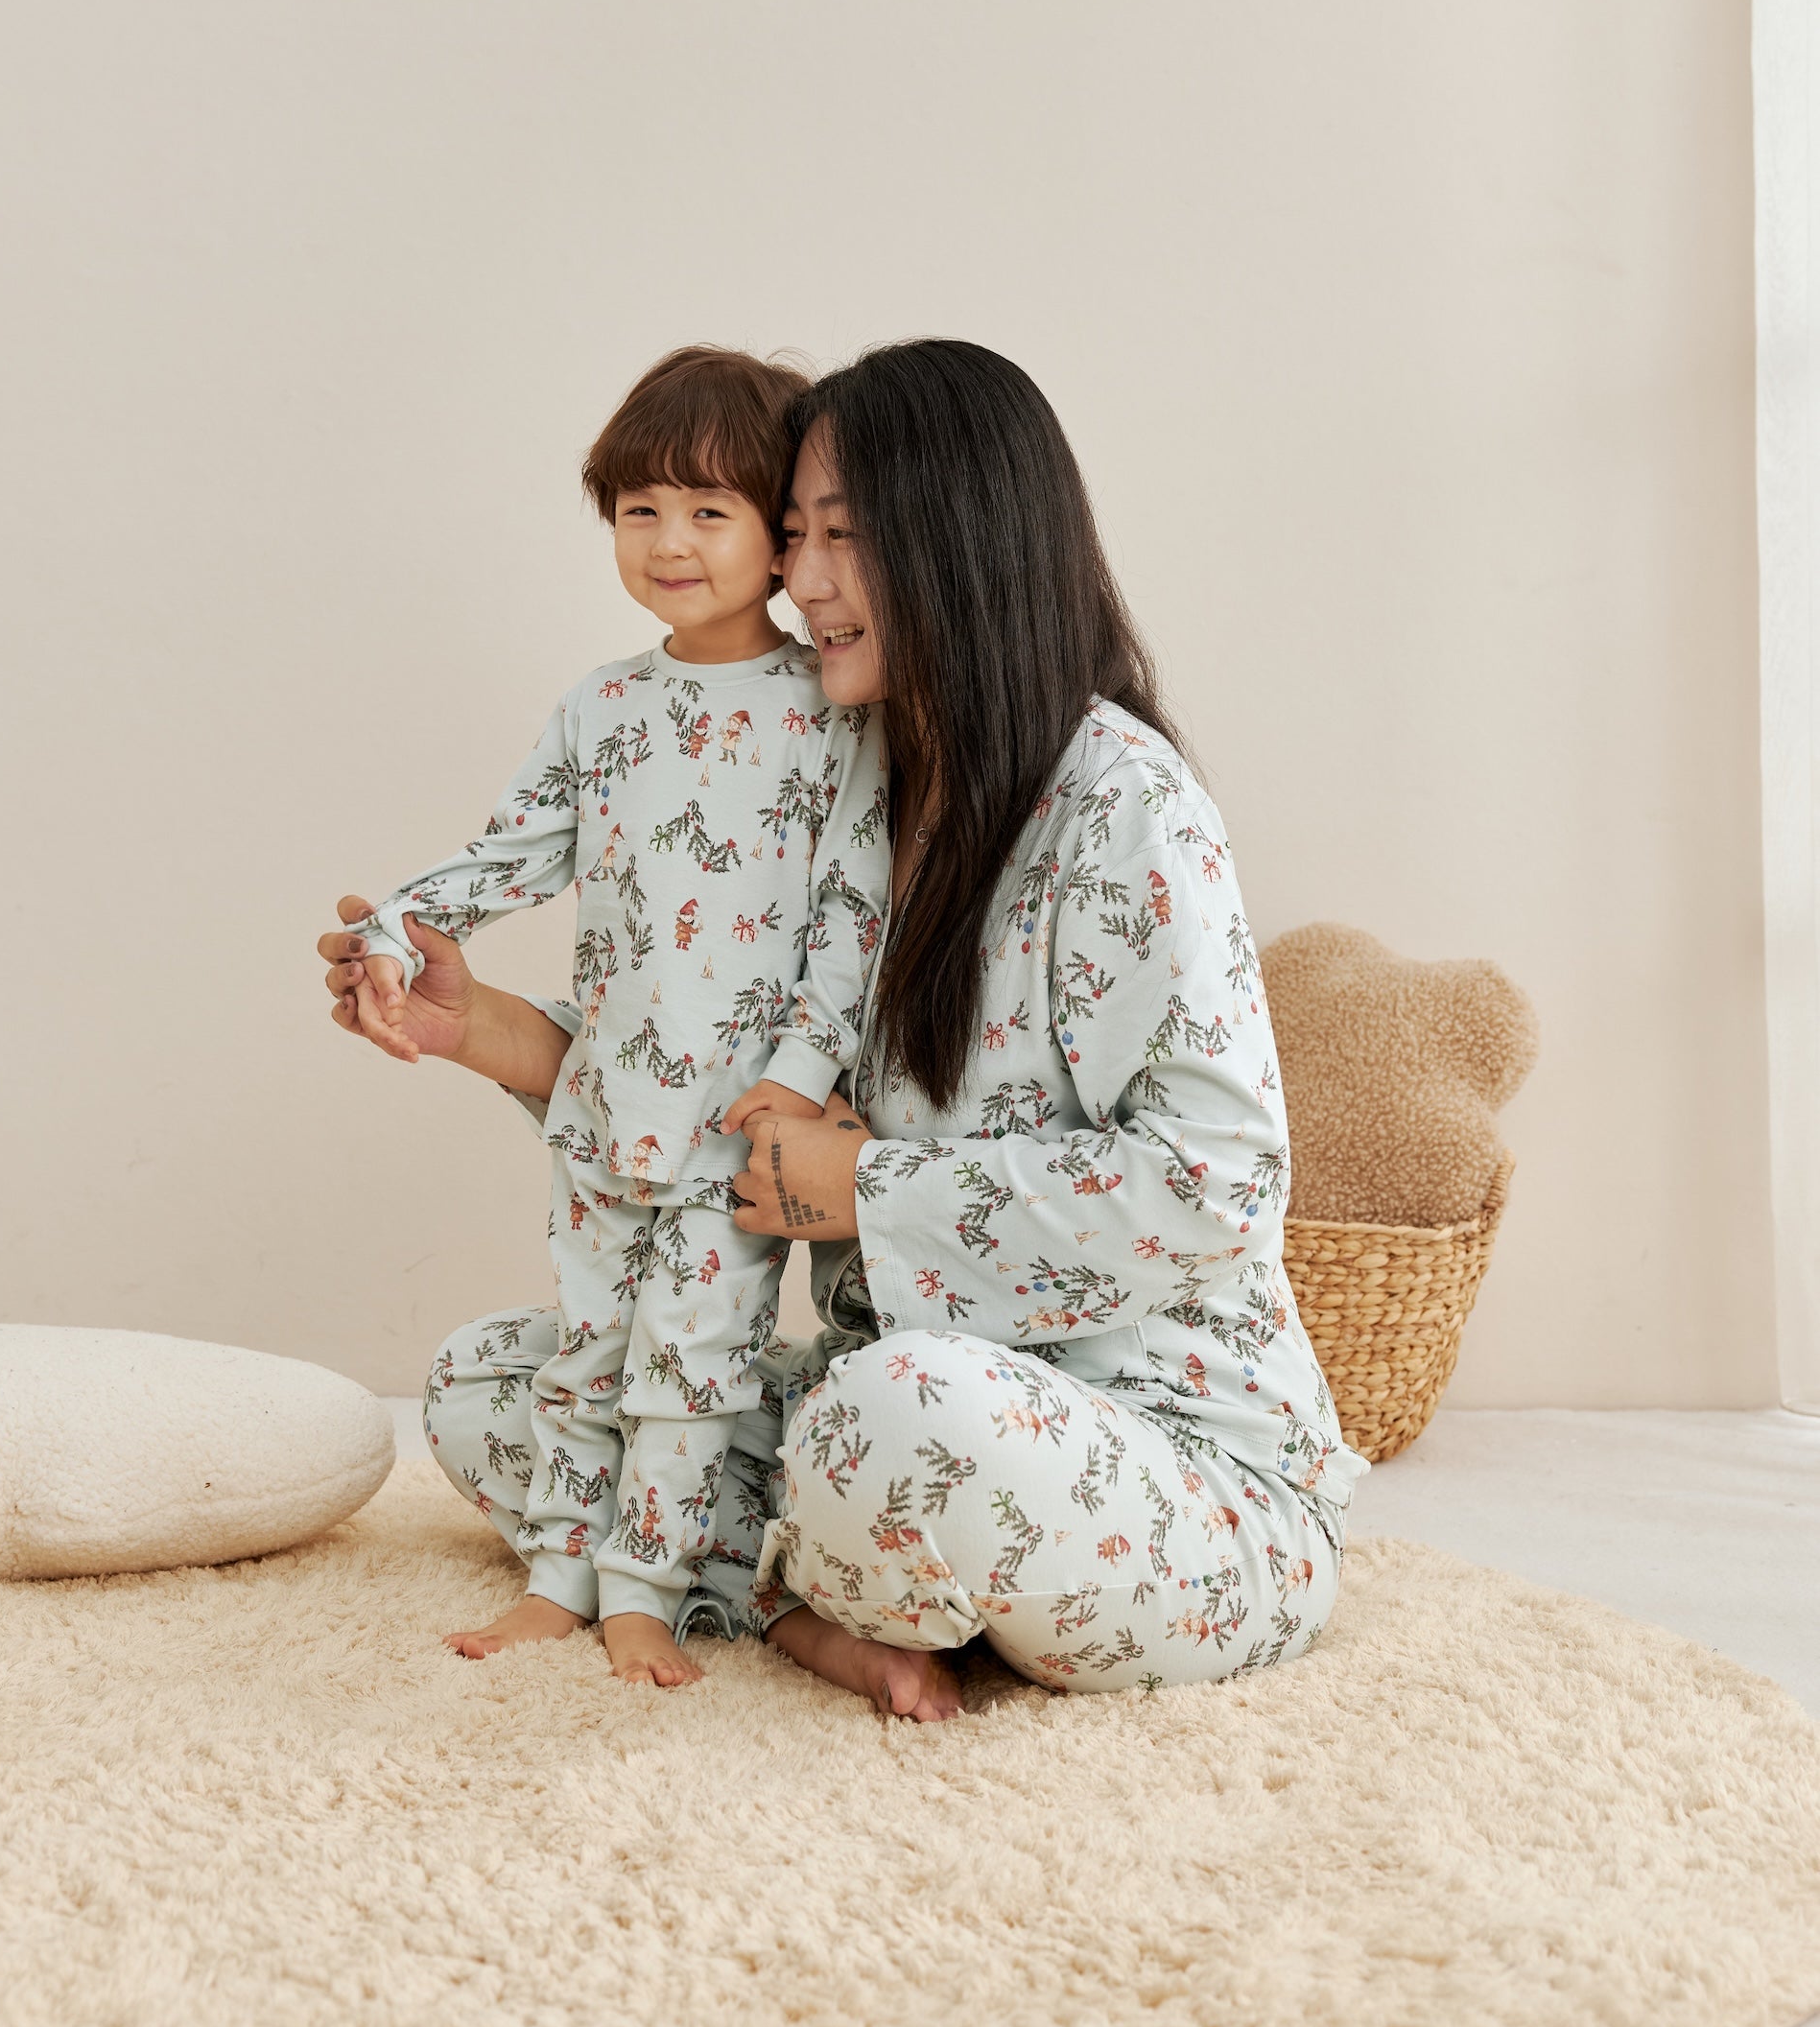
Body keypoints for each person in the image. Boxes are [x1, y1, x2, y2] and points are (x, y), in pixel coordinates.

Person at [323, 338, 1368, 1720]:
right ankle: (817, 1591)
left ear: (962, 545)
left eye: (843, 540)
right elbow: (709, 1094)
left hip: (1156, 1458)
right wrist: (480, 1028)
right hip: (868, 1392)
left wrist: (861, 1189)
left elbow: (1215, 1191)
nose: (798, 584)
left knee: (897, 1422)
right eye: (793, 536)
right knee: (488, 1387)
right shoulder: (851, 772)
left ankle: (801, 1577)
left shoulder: (1123, 807)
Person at [328, 345, 886, 1687]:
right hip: (605, 1111)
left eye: (708, 511)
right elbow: (508, 853)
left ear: (778, 538)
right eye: (640, 510)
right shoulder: (606, 709)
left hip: (738, 1130)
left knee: (694, 1368)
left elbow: (851, 917)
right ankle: (561, 1577)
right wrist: (396, 924)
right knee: (588, 1353)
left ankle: (647, 1589)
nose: (670, 542)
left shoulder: (832, 711)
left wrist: (803, 1076)